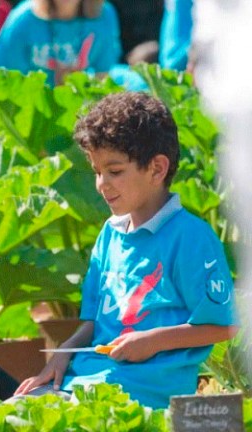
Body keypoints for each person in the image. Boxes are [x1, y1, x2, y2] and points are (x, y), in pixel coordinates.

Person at [14, 92, 237, 409]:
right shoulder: (109, 234)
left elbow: (223, 325)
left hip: (142, 398)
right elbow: (92, 324)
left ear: (157, 168)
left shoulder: (191, 237)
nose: (102, 184)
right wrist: (62, 355)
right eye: (96, 171)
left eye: (114, 171)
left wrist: (153, 341)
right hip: (84, 385)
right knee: (11, 409)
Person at [0, 0, 122, 87]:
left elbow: (103, 76)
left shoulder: (103, 15)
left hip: (81, 108)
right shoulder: (24, 20)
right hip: (33, 115)